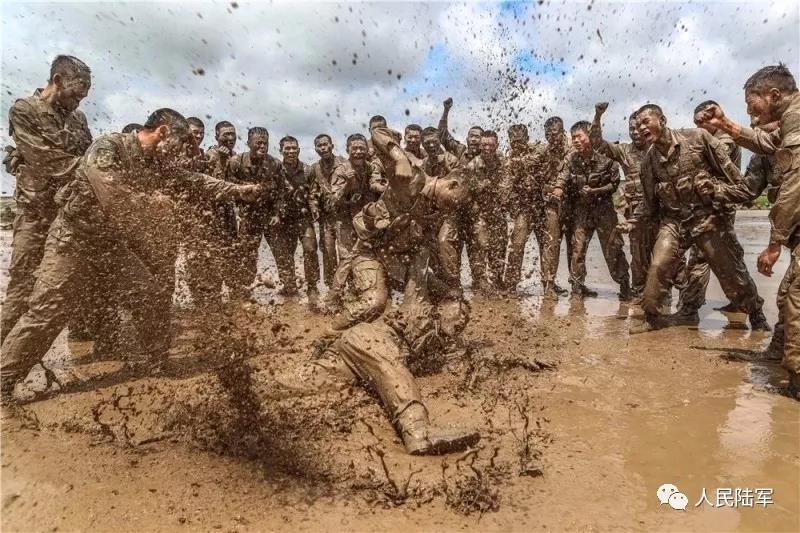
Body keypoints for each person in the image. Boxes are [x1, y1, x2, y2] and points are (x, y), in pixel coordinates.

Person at [0, 109, 263, 402]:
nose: (178, 153)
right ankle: (4, 381)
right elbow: (111, 194)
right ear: (163, 133)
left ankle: (156, 363)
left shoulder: (156, 162)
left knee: (150, 294)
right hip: (73, 241)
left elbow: (192, 180)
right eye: (178, 144)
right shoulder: (108, 147)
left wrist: (237, 191)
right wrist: (154, 203)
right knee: (47, 312)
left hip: (110, 245)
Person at [695, 64, 800, 397]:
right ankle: (778, 354)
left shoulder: (797, 117)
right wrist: (724, 124)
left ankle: (796, 382)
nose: (750, 113)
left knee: (797, 298)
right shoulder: (786, 127)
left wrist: (775, 243)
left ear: (774, 95)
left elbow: (794, 186)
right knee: (787, 294)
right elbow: (764, 149)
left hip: (791, 225)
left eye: (751, 104)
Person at [630, 104, 769, 333]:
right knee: (658, 266)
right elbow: (649, 204)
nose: (641, 128)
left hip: (707, 217)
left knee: (730, 270)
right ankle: (651, 316)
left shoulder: (698, 138)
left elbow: (734, 179)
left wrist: (719, 192)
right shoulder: (648, 162)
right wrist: (635, 221)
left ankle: (756, 315)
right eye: (637, 126)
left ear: (662, 120)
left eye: (646, 122)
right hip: (674, 222)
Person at [1, 55, 93, 343]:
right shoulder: (25, 109)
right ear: (58, 80)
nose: (79, 101)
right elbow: (45, 159)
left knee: (74, 280)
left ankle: (79, 344)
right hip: (35, 214)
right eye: (76, 93)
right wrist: (91, 171)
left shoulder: (78, 118)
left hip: (68, 214)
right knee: (23, 286)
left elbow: (89, 152)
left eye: (84, 95)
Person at [673, 100, 745, 321]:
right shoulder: (715, 139)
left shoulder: (725, 141)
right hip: (715, 204)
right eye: (696, 125)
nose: (699, 130)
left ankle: (689, 308)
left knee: (700, 257)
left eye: (701, 124)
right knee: (728, 255)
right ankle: (742, 301)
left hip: (716, 206)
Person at [552, 121, 631, 299]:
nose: (576, 141)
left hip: (605, 210)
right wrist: (558, 189)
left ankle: (625, 284)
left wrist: (595, 191)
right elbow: (563, 177)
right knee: (577, 249)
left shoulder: (607, 157)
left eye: (579, 136)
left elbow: (614, 185)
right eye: (573, 137)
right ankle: (577, 289)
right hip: (582, 210)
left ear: (590, 136)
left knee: (613, 248)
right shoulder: (572, 159)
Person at [591, 103, 652, 301]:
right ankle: (639, 292)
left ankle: (664, 294)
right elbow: (596, 143)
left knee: (667, 255)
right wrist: (598, 116)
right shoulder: (624, 150)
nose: (635, 132)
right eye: (631, 128)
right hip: (636, 212)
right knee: (638, 254)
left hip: (661, 210)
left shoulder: (659, 147)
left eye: (638, 128)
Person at [324, 134, 384, 310]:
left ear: (367, 150)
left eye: (361, 148)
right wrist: (347, 186)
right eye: (354, 148)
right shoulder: (341, 170)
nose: (358, 152)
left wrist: (385, 188)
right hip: (345, 219)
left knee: (369, 256)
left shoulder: (371, 167)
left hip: (366, 221)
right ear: (347, 150)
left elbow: (374, 184)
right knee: (347, 258)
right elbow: (333, 201)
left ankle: (358, 292)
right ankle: (333, 298)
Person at [224, 127, 285, 299]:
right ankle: (243, 291)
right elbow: (227, 186)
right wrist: (247, 190)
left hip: (269, 215)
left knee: (281, 252)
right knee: (247, 255)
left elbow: (281, 191)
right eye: (258, 143)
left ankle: (290, 288)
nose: (262, 146)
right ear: (248, 143)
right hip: (248, 215)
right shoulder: (236, 162)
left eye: (265, 143)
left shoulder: (275, 164)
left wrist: (277, 214)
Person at [273, 135, 321, 304]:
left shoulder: (307, 170)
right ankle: (289, 286)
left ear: (299, 150)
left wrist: (314, 207)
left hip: (303, 218)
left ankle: (312, 286)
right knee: (285, 254)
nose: (291, 151)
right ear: (281, 151)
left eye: (294, 148)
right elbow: (272, 194)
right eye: (287, 148)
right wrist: (276, 214)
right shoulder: (275, 170)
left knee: (310, 249)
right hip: (283, 219)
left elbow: (313, 192)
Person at [502, 124, 547, 294]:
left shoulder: (537, 150)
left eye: (520, 141)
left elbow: (539, 156)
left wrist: (520, 162)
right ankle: (511, 283)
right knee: (517, 244)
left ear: (527, 139)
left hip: (541, 207)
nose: (516, 145)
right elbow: (506, 186)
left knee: (547, 246)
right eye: (513, 141)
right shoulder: (508, 160)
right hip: (523, 209)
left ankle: (548, 284)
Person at [464, 130, 508, 294]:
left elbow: (508, 186)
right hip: (479, 212)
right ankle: (479, 281)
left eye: (491, 145)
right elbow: (467, 193)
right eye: (484, 145)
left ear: (497, 145)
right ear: (480, 145)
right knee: (479, 245)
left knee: (500, 245)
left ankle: (497, 280)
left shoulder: (504, 163)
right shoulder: (472, 166)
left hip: (498, 212)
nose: (487, 148)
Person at [308, 134, 345, 287]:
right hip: (326, 218)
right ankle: (332, 286)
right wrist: (314, 207)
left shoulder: (344, 163)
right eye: (319, 146)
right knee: (328, 252)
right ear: (316, 149)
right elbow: (313, 192)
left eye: (325, 144)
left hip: (344, 216)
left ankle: (350, 285)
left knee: (345, 252)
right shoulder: (315, 168)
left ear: (332, 146)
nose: (323, 148)